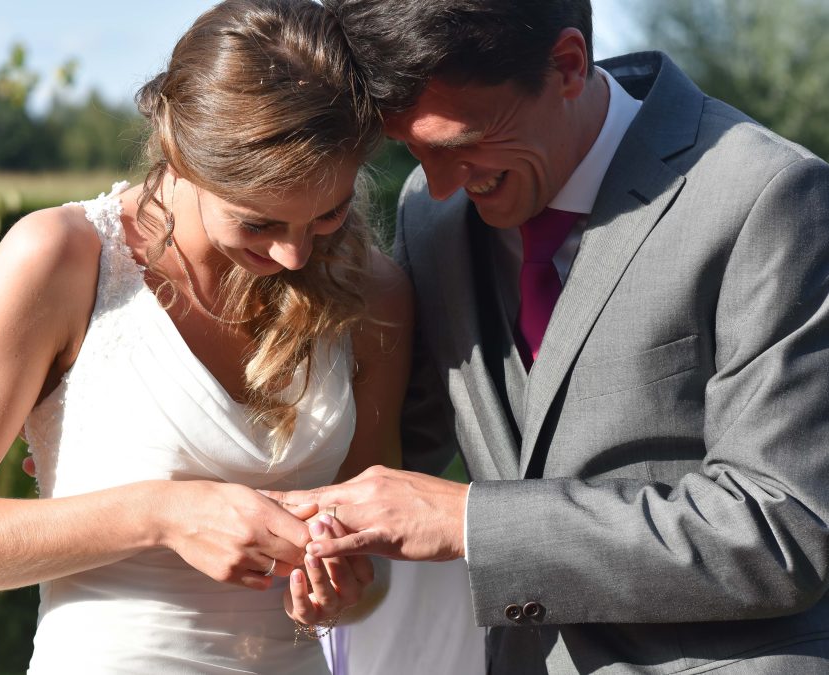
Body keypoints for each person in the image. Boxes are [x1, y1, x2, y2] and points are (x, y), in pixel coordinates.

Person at [265, 0, 829, 671]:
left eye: (456, 144)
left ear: (566, 65)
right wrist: (331, 549)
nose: (437, 183)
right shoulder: (430, 213)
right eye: (411, 150)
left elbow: (783, 530)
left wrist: (471, 523)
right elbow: (402, 449)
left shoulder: (767, 195)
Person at [0, 1, 414, 672]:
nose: (295, 256)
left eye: (329, 213)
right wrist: (162, 513)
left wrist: (338, 593)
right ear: (182, 158)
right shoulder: (64, 260)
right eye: (257, 223)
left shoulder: (376, 295)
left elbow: (375, 557)